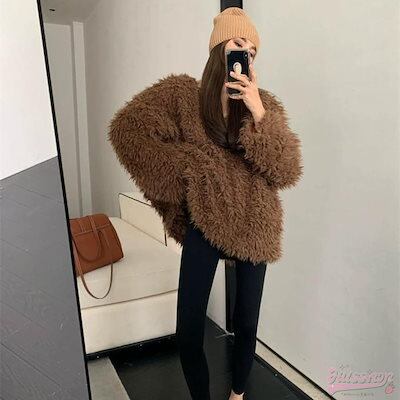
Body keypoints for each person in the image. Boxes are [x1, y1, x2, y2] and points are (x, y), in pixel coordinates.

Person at [108, 7, 304, 400]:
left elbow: (286, 171)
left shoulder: (264, 103)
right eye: (237, 46)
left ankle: (237, 394)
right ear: (218, 50)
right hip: (207, 216)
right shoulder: (183, 95)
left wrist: (258, 112)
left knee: (246, 322)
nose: (244, 56)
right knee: (189, 328)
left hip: (254, 221)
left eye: (251, 51)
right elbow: (126, 130)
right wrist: (190, 168)